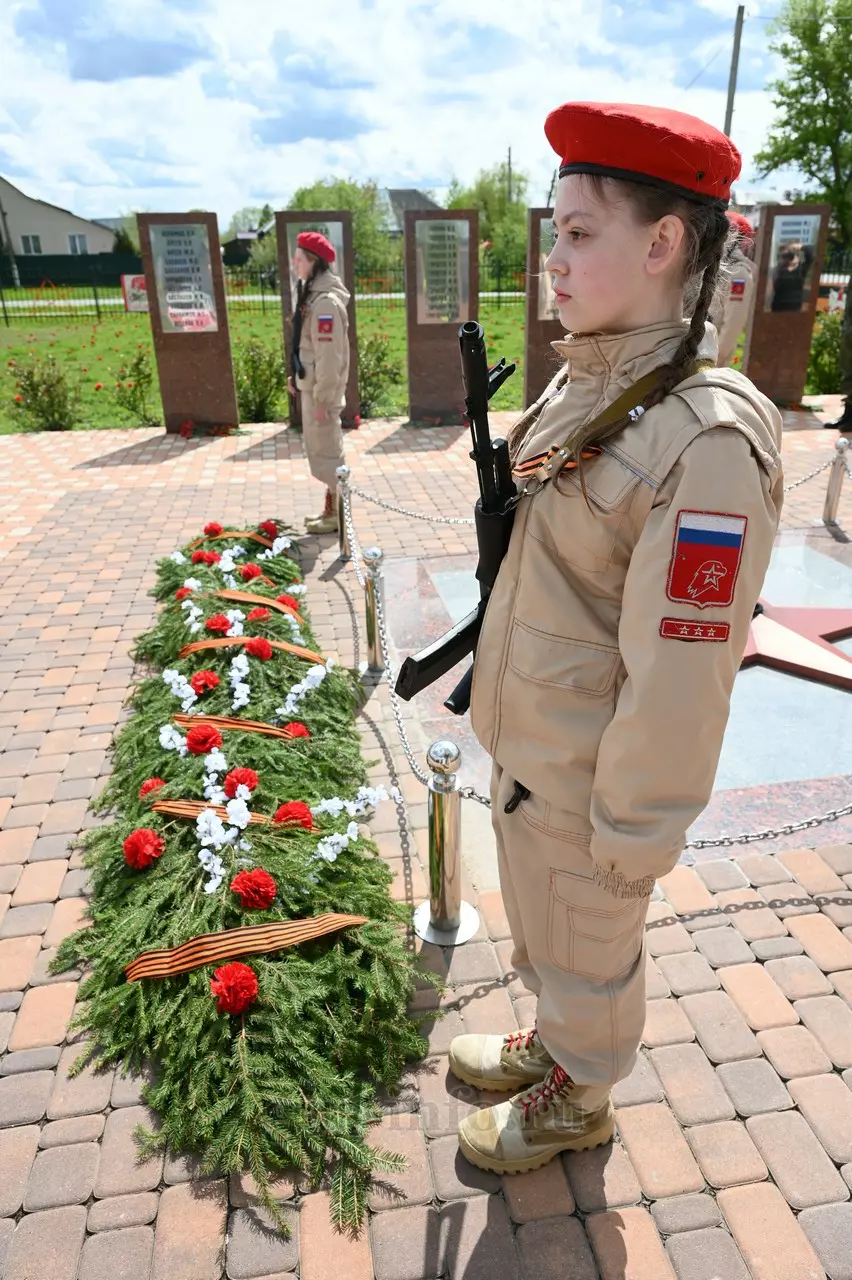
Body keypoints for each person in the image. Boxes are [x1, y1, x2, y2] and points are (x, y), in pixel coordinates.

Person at [448, 101, 783, 1176]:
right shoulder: (593, 379)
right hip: (538, 748)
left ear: (663, 243)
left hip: (597, 784)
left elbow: (683, 678)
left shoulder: (707, 442)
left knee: (590, 942)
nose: (553, 258)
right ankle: (558, 1040)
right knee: (550, 933)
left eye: (579, 232)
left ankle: (580, 1095)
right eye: (556, 231)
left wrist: (634, 838)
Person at [288, 231, 350, 534]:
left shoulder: (325, 303)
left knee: (328, 452)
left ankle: (337, 516)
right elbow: (309, 348)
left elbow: (329, 357)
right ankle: (331, 510)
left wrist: (323, 400)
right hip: (312, 388)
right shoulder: (312, 295)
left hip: (321, 393)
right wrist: (297, 374)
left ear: (313, 261)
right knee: (322, 450)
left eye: (299, 259)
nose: (294, 263)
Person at [712, 211, 756, 368]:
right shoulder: (715, 266)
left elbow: (733, 324)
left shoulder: (739, 273)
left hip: (711, 359)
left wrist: (715, 358)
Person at [769, 239, 814, 313]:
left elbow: (810, 256)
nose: (791, 257)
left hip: (794, 308)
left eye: (795, 253)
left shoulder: (801, 269)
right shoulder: (779, 269)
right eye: (789, 254)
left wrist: (800, 247)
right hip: (778, 307)